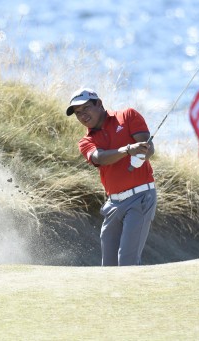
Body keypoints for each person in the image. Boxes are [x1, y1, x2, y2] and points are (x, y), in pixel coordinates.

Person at [66, 88, 157, 266]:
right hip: (113, 204)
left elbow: (148, 147)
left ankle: (135, 293)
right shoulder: (86, 141)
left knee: (127, 261)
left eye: (86, 109)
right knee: (108, 266)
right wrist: (127, 150)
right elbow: (99, 158)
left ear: (99, 104)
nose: (83, 116)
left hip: (140, 198)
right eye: (78, 113)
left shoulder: (128, 116)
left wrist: (142, 154)